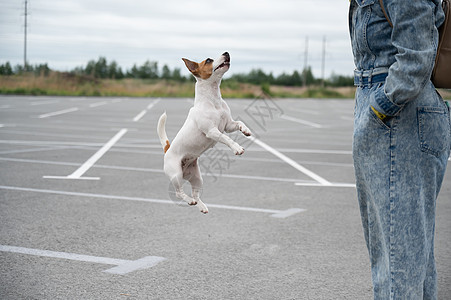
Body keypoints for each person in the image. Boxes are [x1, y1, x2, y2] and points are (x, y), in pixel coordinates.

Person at [348, 0, 450, 299]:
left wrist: (380, 108)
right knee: (406, 256)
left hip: (397, 113)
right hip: (389, 108)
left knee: (398, 262)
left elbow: (415, 58)